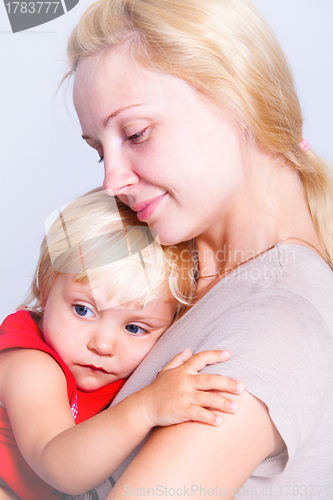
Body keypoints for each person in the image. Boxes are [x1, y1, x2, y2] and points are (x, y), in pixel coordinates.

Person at [64, 0, 333, 498]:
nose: (111, 181)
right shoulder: (171, 278)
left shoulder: (277, 321)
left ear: (238, 95)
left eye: (136, 134)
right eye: (100, 150)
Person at [0, 188, 243, 500]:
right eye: (83, 310)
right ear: (44, 290)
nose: (102, 344)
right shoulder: (30, 363)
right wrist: (146, 408)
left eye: (133, 327)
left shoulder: (131, 369)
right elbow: (60, 468)